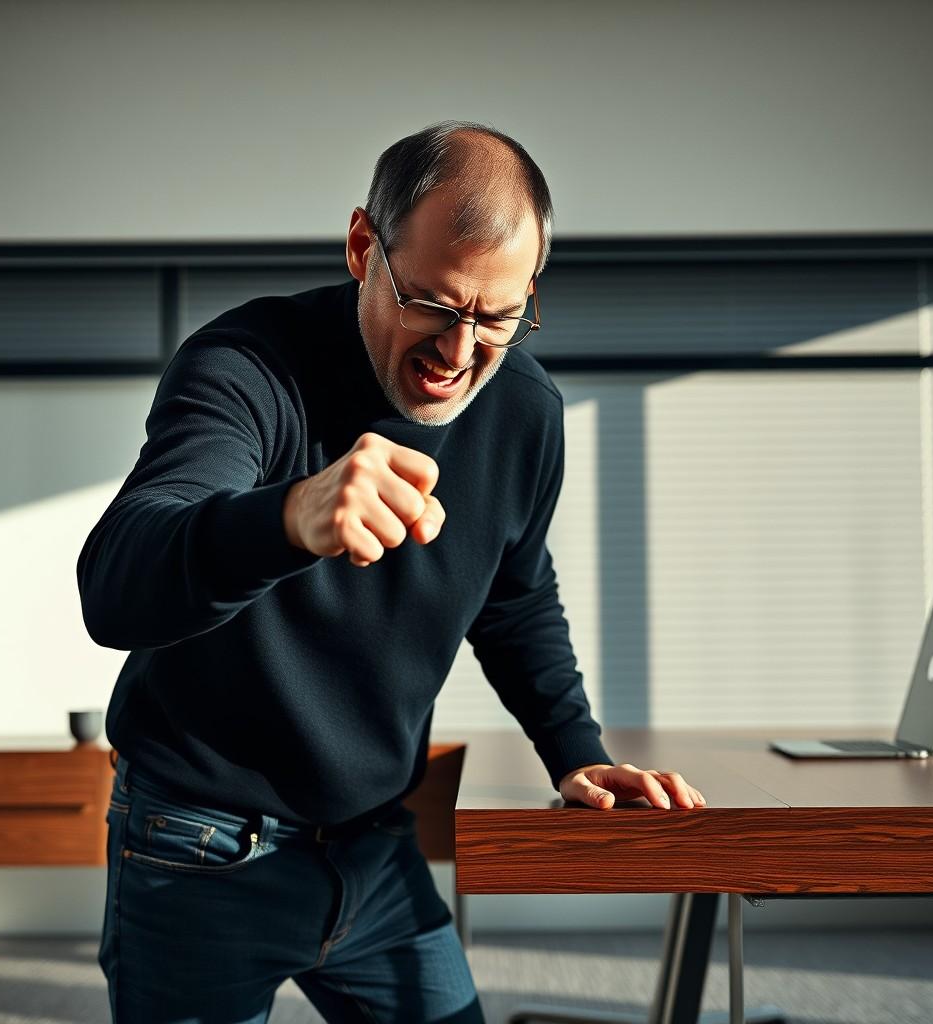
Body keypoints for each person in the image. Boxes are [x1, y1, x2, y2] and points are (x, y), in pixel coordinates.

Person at [78, 120, 706, 1024]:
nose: (459, 356)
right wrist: (289, 517)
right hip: (197, 847)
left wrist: (577, 754)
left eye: (496, 317)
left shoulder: (524, 410)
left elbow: (516, 596)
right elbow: (117, 583)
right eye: (437, 306)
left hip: (373, 848)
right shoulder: (247, 366)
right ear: (363, 246)